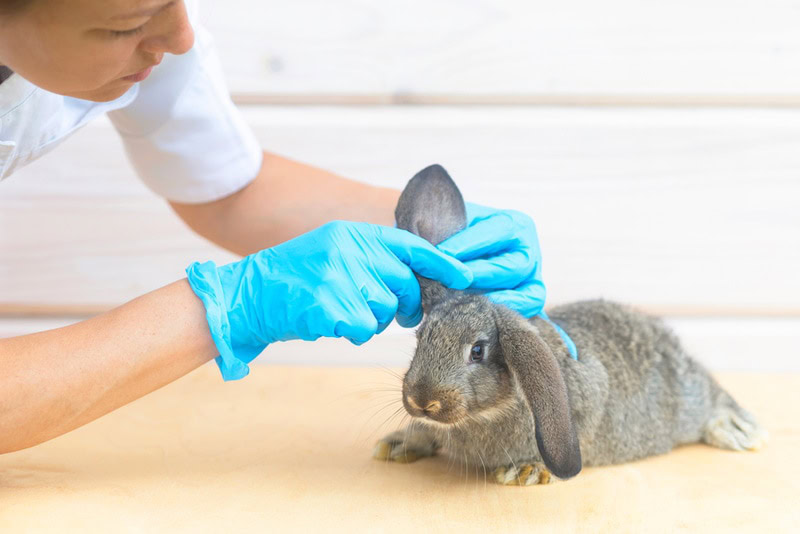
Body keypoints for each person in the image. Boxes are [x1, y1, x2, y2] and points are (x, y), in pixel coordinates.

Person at [0, 0, 572, 455]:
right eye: (125, 23)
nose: (180, 38)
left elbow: (225, 187)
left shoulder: (164, 30)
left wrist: (436, 244)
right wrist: (228, 307)